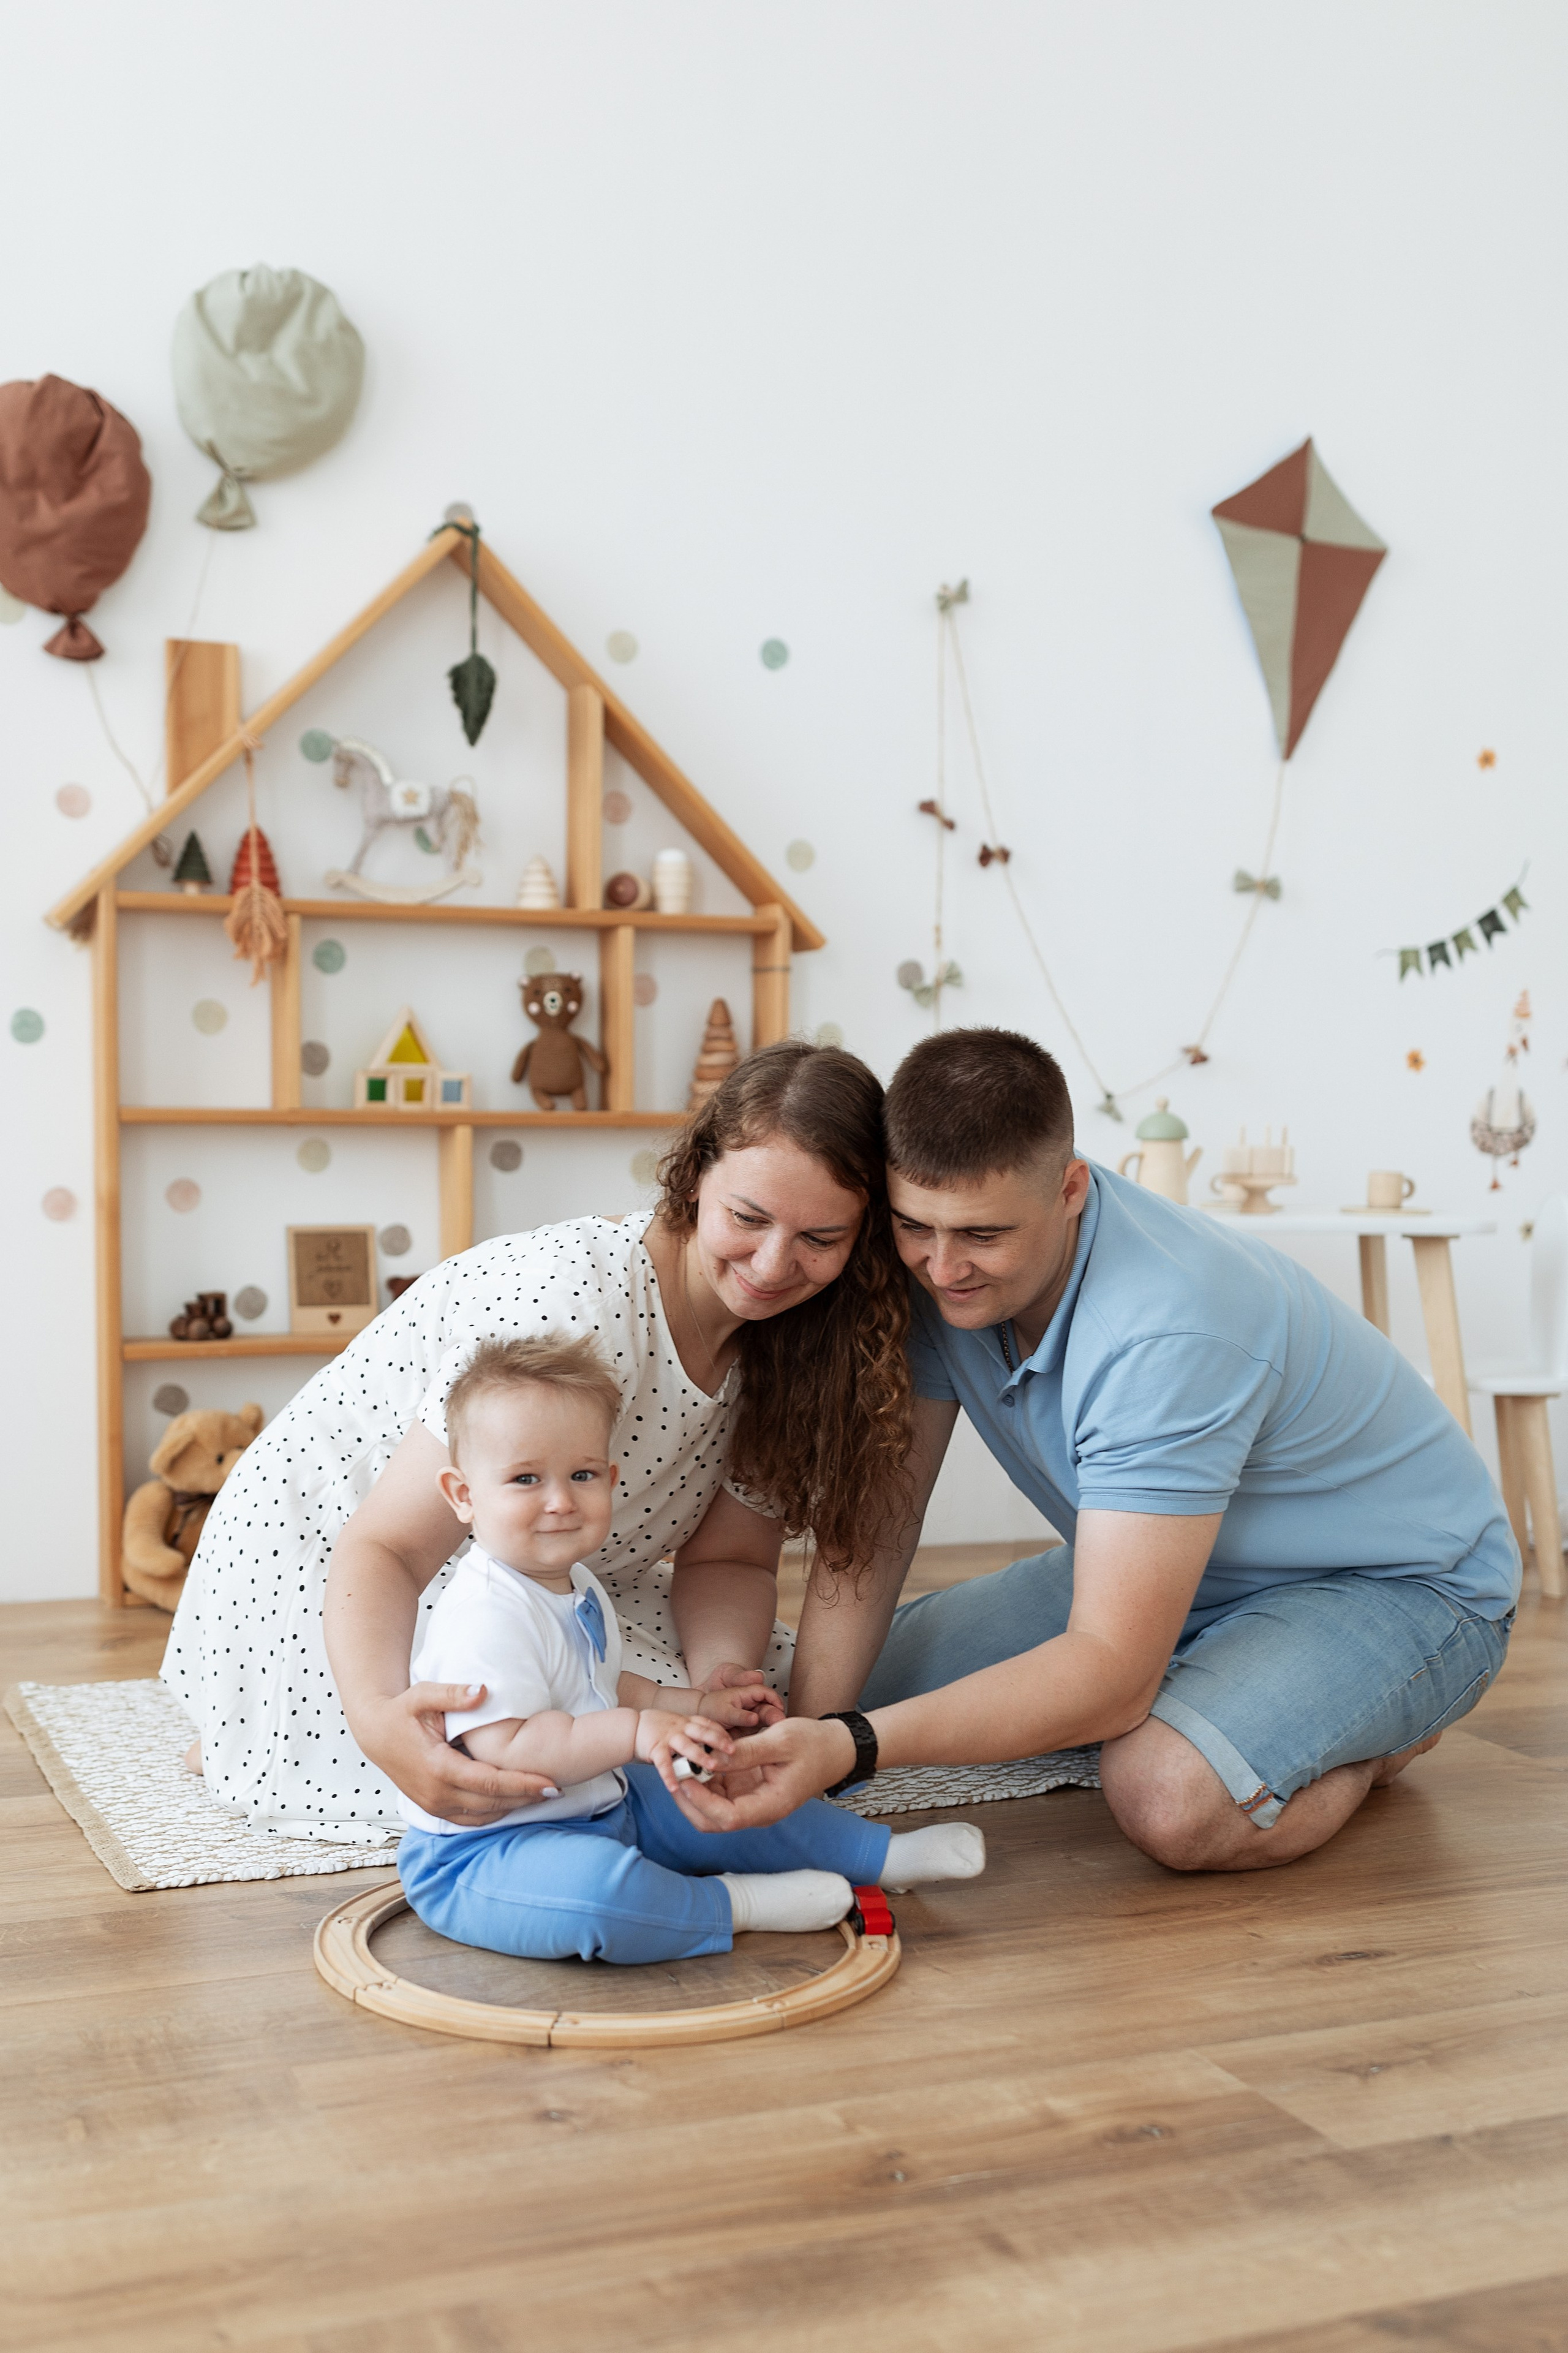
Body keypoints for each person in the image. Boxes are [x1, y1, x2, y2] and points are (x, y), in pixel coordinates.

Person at [680, 1028, 1521, 1873]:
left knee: (1165, 1794)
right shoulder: (936, 1270)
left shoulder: (1168, 1329)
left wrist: (851, 1747)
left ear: (1071, 1188)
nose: (942, 1268)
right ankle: (1219, 1687)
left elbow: (1111, 1672)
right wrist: (822, 1739)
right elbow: (880, 1525)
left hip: (1401, 1586)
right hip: (1179, 1564)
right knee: (837, 1687)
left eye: (982, 1234)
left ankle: (1379, 1744)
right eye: (914, 1227)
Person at [165, 1041, 913, 1841]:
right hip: (340, 1551)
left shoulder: (796, 1350)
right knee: (534, 1760)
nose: (772, 1264)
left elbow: (729, 1562)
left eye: (820, 1239)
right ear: (696, 1177)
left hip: (536, 1569)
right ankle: (266, 1728)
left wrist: (717, 1682)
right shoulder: (576, 1300)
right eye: (748, 1218)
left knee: (712, 1727)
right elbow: (388, 1545)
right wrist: (383, 1721)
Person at [396, 1332, 983, 1962]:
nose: (561, 1500)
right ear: (463, 1494)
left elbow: (596, 1684)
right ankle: (739, 1904)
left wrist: (692, 1704)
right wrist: (637, 1731)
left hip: (597, 1799)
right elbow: (510, 1748)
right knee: (597, 1894)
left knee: (717, 1781)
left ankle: (878, 1854)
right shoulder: (485, 1613)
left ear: (610, 1479)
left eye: (583, 1475)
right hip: (486, 1851)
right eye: (525, 1478)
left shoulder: (569, 1582)